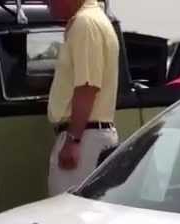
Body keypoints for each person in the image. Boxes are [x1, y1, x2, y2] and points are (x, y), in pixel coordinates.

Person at [45, 0, 120, 197]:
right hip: (89, 135)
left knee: (67, 210)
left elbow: (87, 86)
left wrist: (73, 140)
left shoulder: (85, 23)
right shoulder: (95, 19)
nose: (47, 3)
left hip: (85, 137)